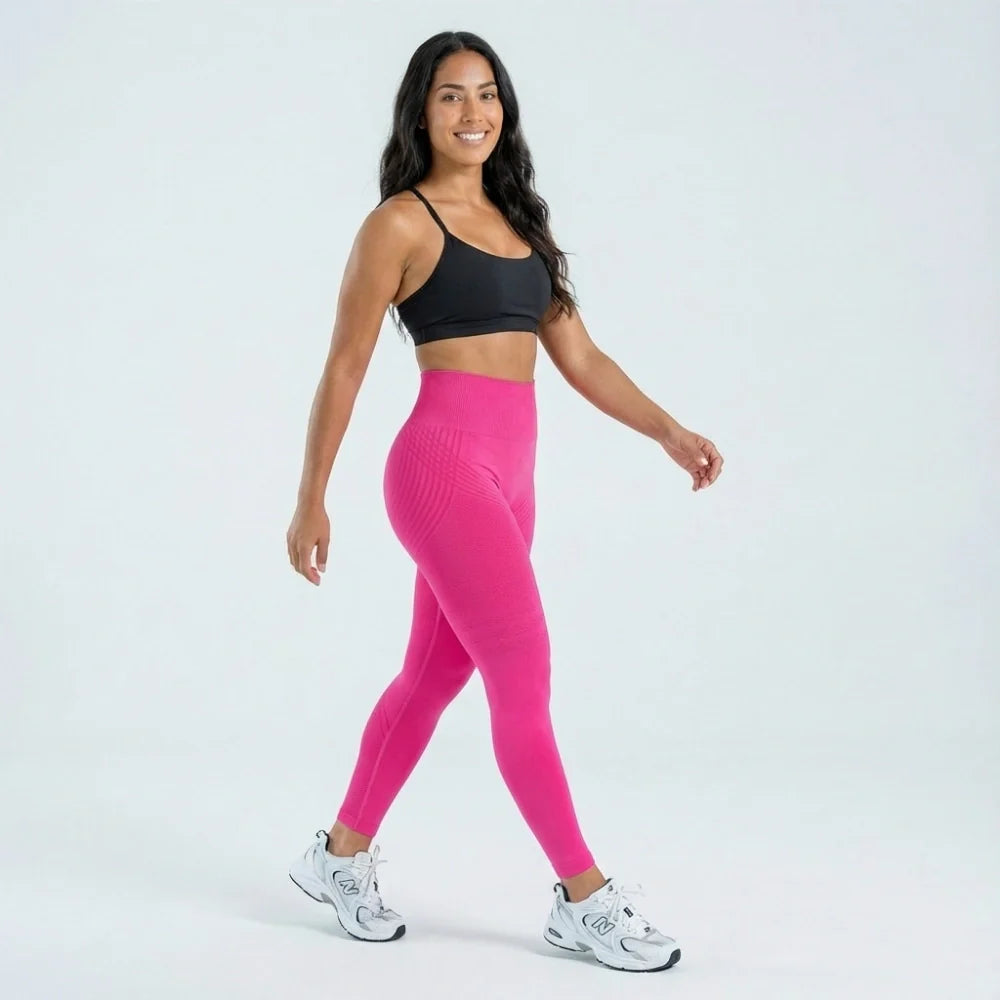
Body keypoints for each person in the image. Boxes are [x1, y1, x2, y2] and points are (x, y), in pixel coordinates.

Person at [285, 30, 722, 974]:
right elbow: (345, 365)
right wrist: (311, 497)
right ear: (421, 111)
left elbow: (581, 357)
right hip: (440, 470)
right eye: (451, 95)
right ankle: (584, 898)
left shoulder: (524, 225)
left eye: (486, 94)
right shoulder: (399, 224)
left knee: (431, 678)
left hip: (512, 479)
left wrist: (669, 430)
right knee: (522, 672)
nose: (472, 112)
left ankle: (338, 856)